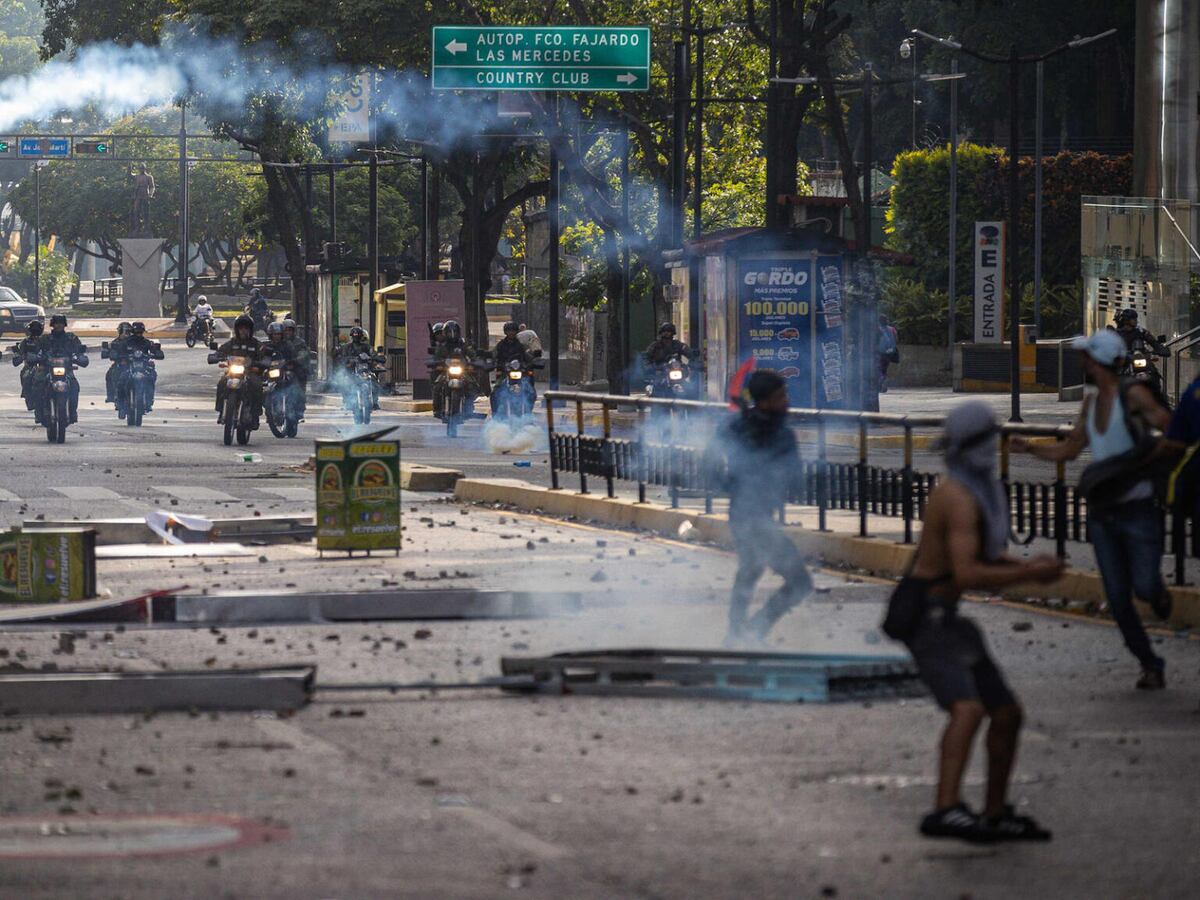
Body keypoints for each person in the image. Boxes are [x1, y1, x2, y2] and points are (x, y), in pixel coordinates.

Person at [892, 401, 1061, 843]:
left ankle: (995, 812)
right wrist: (1027, 573)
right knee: (968, 709)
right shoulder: (957, 495)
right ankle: (945, 809)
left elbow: (982, 558)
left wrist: (1024, 566)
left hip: (948, 617)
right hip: (929, 617)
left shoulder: (977, 488)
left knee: (1006, 712)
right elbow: (967, 572)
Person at [1012, 329, 1172, 689]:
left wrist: (1140, 462)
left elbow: (1170, 429)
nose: (1081, 361)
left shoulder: (1134, 396)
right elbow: (1068, 451)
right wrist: (1030, 449)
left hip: (1138, 509)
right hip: (1103, 514)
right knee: (1117, 598)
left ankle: (1157, 593)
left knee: (1144, 588)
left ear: (1097, 361)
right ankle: (1150, 663)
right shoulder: (1089, 404)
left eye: (1086, 356)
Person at [704, 369, 813, 646]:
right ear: (763, 401)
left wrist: (730, 485)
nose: (786, 401)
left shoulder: (739, 425)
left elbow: (709, 463)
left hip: (747, 512)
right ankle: (753, 629)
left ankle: (737, 633)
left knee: (750, 570)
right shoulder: (775, 431)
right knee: (799, 582)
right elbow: (796, 479)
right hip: (753, 516)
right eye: (780, 396)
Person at [34, 314, 88, 424]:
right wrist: (36, 358)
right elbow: (36, 352)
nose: (59, 325)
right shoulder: (45, 339)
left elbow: (78, 351)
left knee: (74, 386)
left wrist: (80, 358)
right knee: (38, 384)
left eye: (61, 323)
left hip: (66, 370)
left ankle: (73, 411)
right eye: (56, 323)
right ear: (52, 325)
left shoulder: (71, 338)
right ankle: (40, 412)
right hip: (47, 369)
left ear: (65, 325)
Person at [212, 314, 262, 423]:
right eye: (241, 328)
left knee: (257, 385)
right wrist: (215, 356)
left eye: (246, 328)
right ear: (237, 329)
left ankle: (255, 414)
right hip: (233, 372)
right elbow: (221, 351)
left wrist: (261, 362)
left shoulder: (256, 344)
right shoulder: (232, 342)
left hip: (249, 372)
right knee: (222, 382)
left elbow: (264, 355)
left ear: (250, 329)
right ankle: (221, 411)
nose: (243, 331)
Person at [110, 321, 164, 411]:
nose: (138, 334)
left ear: (143, 332)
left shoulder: (147, 343)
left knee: (151, 377)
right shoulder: (125, 342)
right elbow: (118, 351)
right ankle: (120, 403)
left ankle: (149, 400)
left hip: (143, 367)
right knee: (121, 380)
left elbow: (155, 351)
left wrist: (157, 353)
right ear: (132, 332)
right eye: (136, 332)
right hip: (129, 366)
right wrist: (117, 355)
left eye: (140, 332)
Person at [490, 321, 537, 413]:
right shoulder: (500, 345)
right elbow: (493, 355)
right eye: (509, 331)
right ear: (505, 332)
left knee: (530, 391)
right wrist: (490, 362)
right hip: (504, 373)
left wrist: (533, 361)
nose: (511, 333)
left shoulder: (521, 345)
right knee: (495, 393)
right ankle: (495, 416)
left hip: (521, 373)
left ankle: (528, 413)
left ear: (516, 332)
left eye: (513, 331)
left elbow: (527, 356)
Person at [336, 326, 381, 410]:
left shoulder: (367, 347)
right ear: (352, 336)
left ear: (361, 336)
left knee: (374, 380)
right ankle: (347, 402)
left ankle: (375, 401)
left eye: (358, 335)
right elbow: (342, 357)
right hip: (351, 371)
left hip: (365, 370)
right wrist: (347, 361)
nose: (356, 337)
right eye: (354, 336)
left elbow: (373, 354)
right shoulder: (347, 347)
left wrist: (377, 358)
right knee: (344, 381)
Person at [11, 319, 45, 420]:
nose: (35, 332)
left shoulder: (47, 340)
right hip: (31, 366)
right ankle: (30, 399)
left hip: (46, 366)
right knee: (26, 376)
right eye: (33, 330)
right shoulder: (25, 342)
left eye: (37, 329)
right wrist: (20, 356)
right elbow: (18, 355)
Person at [280, 318, 308, 417]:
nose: (288, 332)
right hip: (281, 368)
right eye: (286, 330)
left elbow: (304, 354)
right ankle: (271, 410)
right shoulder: (279, 341)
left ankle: (300, 409)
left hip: (295, 367)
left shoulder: (299, 342)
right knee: (270, 386)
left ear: (293, 331)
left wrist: (296, 360)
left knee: (300, 385)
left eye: (290, 330)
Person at [878, 314, 900, 393]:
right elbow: (896, 339)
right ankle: (882, 383)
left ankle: (881, 384)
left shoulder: (878, 329)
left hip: (880, 352)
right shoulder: (892, 329)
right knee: (884, 369)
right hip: (890, 352)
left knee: (878, 369)